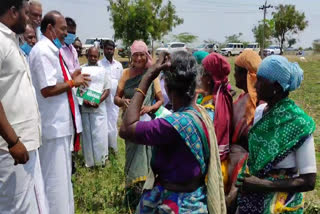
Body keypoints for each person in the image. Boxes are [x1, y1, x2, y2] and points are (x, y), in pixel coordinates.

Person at [119, 51, 226, 214]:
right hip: (196, 201)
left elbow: (126, 128)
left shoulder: (172, 125)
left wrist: (147, 77)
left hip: (175, 205)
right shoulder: (204, 114)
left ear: (167, 88)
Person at [236, 55, 317, 214]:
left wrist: (264, 185)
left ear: (276, 87)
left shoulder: (299, 123)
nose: (255, 85)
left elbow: (309, 182)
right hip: (254, 192)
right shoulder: (259, 112)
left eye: (261, 81)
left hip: (281, 202)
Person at [29, 10, 90, 214]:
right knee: (54, 182)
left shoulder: (53, 51)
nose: (66, 34)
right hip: (52, 128)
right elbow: (47, 90)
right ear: (50, 28)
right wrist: (73, 82)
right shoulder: (42, 51)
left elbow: (55, 82)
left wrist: (71, 76)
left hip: (61, 127)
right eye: (63, 29)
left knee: (63, 180)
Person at [0, 1, 47, 213]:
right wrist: (12, 141)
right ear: (12, 12)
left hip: (23, 143)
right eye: (25, 13)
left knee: (26, 206)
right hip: (10, 147)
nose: (28, 19)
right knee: (13, 207)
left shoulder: (12, 42)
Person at [114, 40, 164, 208]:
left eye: (142, 54)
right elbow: (116, 98)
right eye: (136, 54)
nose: (139, 58)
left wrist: (149, 107)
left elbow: (161, 100)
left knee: (148, 160)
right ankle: (132, 195)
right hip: (130, 125)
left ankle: (146, 195)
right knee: (132, 159)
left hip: (146, 125)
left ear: (146, 55)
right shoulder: (126, 73)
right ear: (131, 56)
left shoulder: (151, 74)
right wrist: (123, 102)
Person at [200, 53, 233, 189]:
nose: (199, 77)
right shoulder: (224, 97)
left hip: (211, 171)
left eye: (201, 72)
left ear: (208, 79)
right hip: (222, 166)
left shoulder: (210, 109)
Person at [81, 47, 111, 167]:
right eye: (90, 56)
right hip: (85, 107)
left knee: (100, 135)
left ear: (98, 57)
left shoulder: (103, 71)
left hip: (99, 108)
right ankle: (89, 162)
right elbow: (78, 88)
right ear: (87, 56)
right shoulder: (82, 69)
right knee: (87, 136)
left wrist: (98, 100)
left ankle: (101, 161)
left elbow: (107, 90)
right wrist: (85, 100)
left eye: (95, 56)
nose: (93, 58)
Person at [98, 40, 123, 154]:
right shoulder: (99, 64)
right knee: (103, 124)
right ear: (103, 50)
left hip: (114, 100)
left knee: (113, 123)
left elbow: (121, 82)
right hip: (103, 99)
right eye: (107, 49)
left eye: (111, 49)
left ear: (114, 50)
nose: (109, 51)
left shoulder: (118, 65)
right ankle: (104, 149)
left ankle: (113, 148)